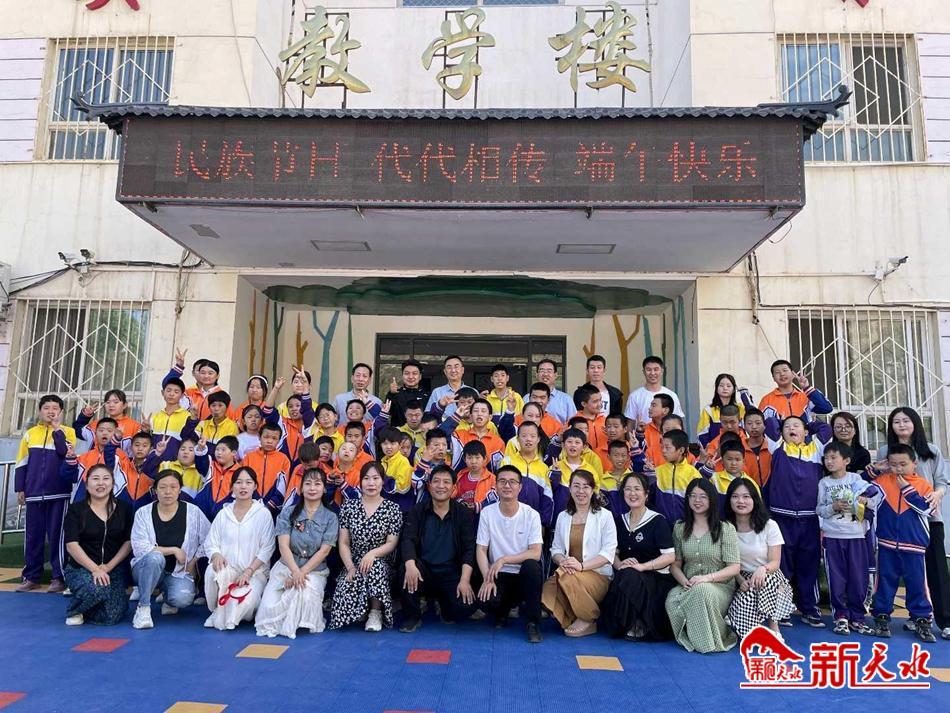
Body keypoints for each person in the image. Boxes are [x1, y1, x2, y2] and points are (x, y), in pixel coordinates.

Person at [875, 409, 949, 640]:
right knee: (896, 574)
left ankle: (944, 620)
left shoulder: (931, 450)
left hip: (927, 520)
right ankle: (905, 617)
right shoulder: (885, 451)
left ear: (915, 422)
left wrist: (937, 494)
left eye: (906, 420)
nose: (901, 424)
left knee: (934, 571)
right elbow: (876, 482)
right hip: (893, 527)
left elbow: (942, 480)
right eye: (896, 421)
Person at [763, 412, 832, 627]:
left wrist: (807, 424)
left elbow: (826, 429)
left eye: (797, 426)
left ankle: (808, 607)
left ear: (805, 431)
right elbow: (770, 422)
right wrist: (784, 422)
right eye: (787, 427)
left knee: (808, 565)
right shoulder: (778, 447)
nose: (792, 429)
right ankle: (782, 608)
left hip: (809, 518)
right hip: (781, 517)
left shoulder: (816, 449)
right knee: (783, 566)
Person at [256, 468, 339, 639]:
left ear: (324, 488)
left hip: (313, 570)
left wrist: (300, 573)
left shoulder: (331, 517)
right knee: (267, 612)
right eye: (307, 484)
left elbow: (324, 551)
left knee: (302, 594)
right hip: (286, 566)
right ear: (301, 488)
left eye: (317, 484)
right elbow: (283, 545)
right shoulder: (288, 512)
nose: (312, 488)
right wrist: (294, 571)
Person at [869, 444, 937, 643]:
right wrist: (876, 470)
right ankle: (881, 616)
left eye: (903, 464)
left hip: (914, 545)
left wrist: (906, 489)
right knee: (884, 582)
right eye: (893, 464)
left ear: (914, 464)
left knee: (917, 584)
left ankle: (921, 619)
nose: (898, 468)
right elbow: (862, 487)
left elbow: (928, 510)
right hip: (886, 544)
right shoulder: (882, 481)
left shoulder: (923, 484)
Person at [399, 465, 478, 632]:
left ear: (454, 488)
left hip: (451, 571)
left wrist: (464, 580)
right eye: (436, 481)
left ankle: (442, 604)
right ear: (429, 486)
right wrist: (410, 565)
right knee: (405, 569)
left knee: (464, 609)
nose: (441, 486)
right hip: (423, 570)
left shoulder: (462, 513)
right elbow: (408, 540)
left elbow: (469, 549)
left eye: (446, 482)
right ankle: (412, 616)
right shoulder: (418, 510)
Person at [665, 478, 740, 653]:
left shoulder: (725, 528)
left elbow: (734, 567)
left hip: (719, 586)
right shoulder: (680, 528)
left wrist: (707, 578)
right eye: (693, 496)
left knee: (702, 591)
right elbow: (675, 565)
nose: (697, 500)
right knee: (672, 598)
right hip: (689, 584)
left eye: (703, 496)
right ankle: (690, 637)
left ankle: (709, 642)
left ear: (711, 499)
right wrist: (684, 582)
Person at [130, 469, 211, 629]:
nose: (168, 491)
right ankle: (143, 608)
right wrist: (173, 550)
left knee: (182, 598)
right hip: (145, 568)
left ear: (180, 489)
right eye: (163, 487)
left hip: (177, 571)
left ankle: (168, 597)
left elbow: (209, 539)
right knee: (155, 558)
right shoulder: (143, 513)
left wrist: (193, 561)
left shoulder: (193, 512)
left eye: (173, 487)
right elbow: (140, 548)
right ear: (155, 490)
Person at [542, 470, 617, 637]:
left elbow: (608, 554)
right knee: (549, 586)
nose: (581, 491)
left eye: (586, 487)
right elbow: (556, 549)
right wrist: (563, 561)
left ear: (593, 490)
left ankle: (588, 618)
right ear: (569, 489)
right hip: (569, 570)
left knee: (565, 579)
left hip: (597, 575)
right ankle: (572, 613)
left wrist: (581, 566)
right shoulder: (563, 516)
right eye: (576, 486)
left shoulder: (605, 516)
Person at [330, 462, 403, 631]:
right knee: (346, 589)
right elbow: (344, 542)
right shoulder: (349, 507)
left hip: (381, 560)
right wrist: (350, 567)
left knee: (374, 567)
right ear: (360, 481)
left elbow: (391, 543)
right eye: (366, 478)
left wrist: (372, 555)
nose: (371, 483)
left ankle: (375, 612)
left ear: (382, 481)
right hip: (354, 560)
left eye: (376, 478)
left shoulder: (392, 509)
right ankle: (361, 608)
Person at [601, 473, 675, 641]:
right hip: (627, 574)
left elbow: (670, 556)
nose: (632, 493)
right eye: (628, 489)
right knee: (626, 574)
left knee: (630, 575)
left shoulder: (657, 521)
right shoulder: (619, 521)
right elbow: (612, 552)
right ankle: (626, 622)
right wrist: (620, 564)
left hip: (655, 576)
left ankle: (639, 622)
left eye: (637, 489)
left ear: (646, 494)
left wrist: (642, 566)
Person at [14, 394, 76, 593]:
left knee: (58, 535)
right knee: (33, 536)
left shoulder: (68, 432)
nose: (51, 411)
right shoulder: (30, 434)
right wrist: (20, 488)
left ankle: (58, 577)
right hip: (33, 492)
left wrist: (57, 430)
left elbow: (64, 452)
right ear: (40, 411)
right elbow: (22, 462)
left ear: (61, 412)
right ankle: (31, 577)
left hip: (59, 492)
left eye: (55, 408)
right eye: (46, 408)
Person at [476, 464, 544, 643]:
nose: (507, 486)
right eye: (502, 481)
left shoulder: (531, 515)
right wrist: (487, 578)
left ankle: (533, 623)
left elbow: (536, 553)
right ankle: (503, 609)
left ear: (520, 487)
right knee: (486, 601)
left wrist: (504, 559)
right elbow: (481, 550)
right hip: (499, 574)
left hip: (522, 574)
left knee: (532, 567)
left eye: (512, 482)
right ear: (496, 485)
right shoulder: (487, 513)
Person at [203, 466, 276, 631]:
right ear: (232, 487)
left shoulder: (262, 514)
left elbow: (268, 547)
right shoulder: (224, 514)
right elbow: (211, 542)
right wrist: (215, 555)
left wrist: (249, 571)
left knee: (242, 604)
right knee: (212, 572)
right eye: (238, 482)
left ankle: (227, 613)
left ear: (255, 486)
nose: (243, 487)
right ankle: (217, 609)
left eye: (248, 482)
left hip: (254, 573)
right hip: (229, 569)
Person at [816, 442, 878, 635]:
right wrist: (833, 507)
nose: (829, 461)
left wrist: (865, 500)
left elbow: (874, 499)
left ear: (847, 460)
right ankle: (841, 617)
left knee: (858, 578)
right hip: (833, 537)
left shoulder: (856, 479)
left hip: (856, 536)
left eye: (833, 457)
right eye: (826, 458)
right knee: (836, 579)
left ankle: (857, 618)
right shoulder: (824, 483)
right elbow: (819, 509)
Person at [62, 463, 134, 626]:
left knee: (112, 616)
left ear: (113, 483)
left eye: (106, 478)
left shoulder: (125, 508)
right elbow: (72, 545)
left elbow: (128, 542)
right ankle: (75, 610)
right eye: (95, 479)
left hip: (111, 569)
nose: (101, 483)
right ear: (87, 485)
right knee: (97, 590)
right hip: (81, 568)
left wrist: (107, 567)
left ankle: (90, 604)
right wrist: (95, 569)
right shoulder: (75, 510)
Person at [724, 479, 794, 640]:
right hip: (738, 577)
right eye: (735, 496)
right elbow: (726, 561)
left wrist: (762, 569)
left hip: (769, 575)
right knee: (745, 631)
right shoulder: (726, 527)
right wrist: (740, 579)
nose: (741, 501)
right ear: (729, 500)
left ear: (755, 499)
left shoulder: (770, 525)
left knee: (766, 580)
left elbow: (775, 562)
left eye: (746, 496)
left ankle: (774, 626)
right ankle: (742, 617)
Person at [752, 360, 833, 421]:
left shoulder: (805, 397)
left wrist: (807, 388)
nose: (782, 374)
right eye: (777, 372)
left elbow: (827, 408)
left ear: (793, 374)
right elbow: (760, 424)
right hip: (780, 439)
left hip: (804, 439)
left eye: (785, 370)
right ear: (773, 378)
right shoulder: (767, 400)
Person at [652, 429, 701, 526]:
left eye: (667, 447)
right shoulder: (657, 472)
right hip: (662, 526)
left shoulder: (693, 474)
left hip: (686, 527)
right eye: (662, 447)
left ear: (681, 450)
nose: (663, 451)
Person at [73, 389, 140, 454]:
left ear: (124, 405)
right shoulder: (98, 424)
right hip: (97, 461)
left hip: (122, 461)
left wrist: (146, 431)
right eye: (108, 402)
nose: (111, 405)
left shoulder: (134, 426)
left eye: (116, 402)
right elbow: (78, 431)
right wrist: (85, 416)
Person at [623, 356, 684, 425]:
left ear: (662, 371)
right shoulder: (635, 396)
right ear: (644, 372)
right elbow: (630, 423)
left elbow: (678, 422)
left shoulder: (672, 395)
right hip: (642, 432)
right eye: (648, 370)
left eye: (656, 369)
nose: (652, 373)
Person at [696, 374, 745, 449]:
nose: (725, 388)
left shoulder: (741, 408)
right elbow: (702, 434)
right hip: (715, 451)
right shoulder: (708, 410)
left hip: (737, 450)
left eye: (728, 386)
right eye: (721, 386)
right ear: (716, 388)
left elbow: (749, 425)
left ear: (734, 389)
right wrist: (710, 450)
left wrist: (745, 396)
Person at [386, 359, 430, 428]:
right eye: (407, 373)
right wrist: (391, 394)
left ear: (420, 376)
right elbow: (387, 412)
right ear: (402, 375)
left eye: (414, 373)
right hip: (398, 434)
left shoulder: (428, 396)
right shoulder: (395, 394)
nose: (410, 377)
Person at [536, 359, 575, 426]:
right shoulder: (527, 398)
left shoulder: (566, 400)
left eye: (549, 371)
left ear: (556, 375)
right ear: (537, 375)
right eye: (542, 371)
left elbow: (573, 424)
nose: (545, 374)